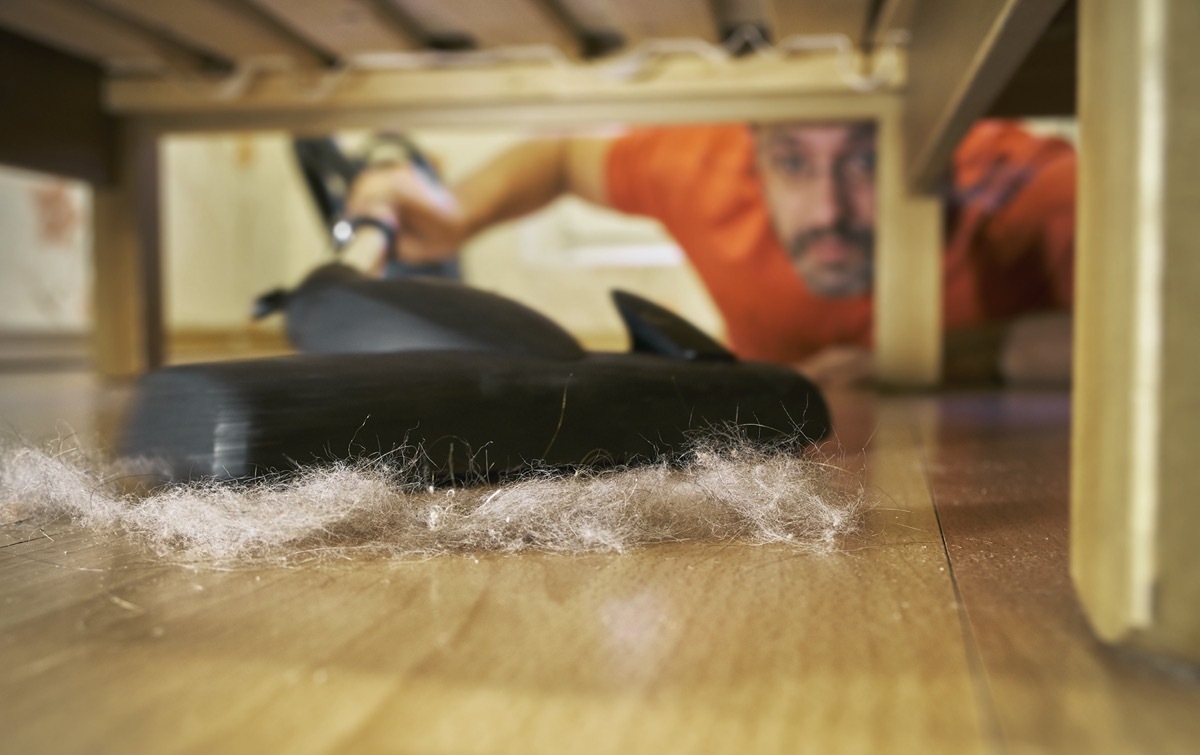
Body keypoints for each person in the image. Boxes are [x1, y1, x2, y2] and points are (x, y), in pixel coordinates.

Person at [346, 119, 1075, 386]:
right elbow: (566, 155)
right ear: (755, 155)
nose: (828, 210)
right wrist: (454, 215)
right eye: (793, 162)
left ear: (929, 149)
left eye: (863, 163)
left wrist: (928, 360)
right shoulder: (707, 165)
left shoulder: (1021, 186)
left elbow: (1167, 338)